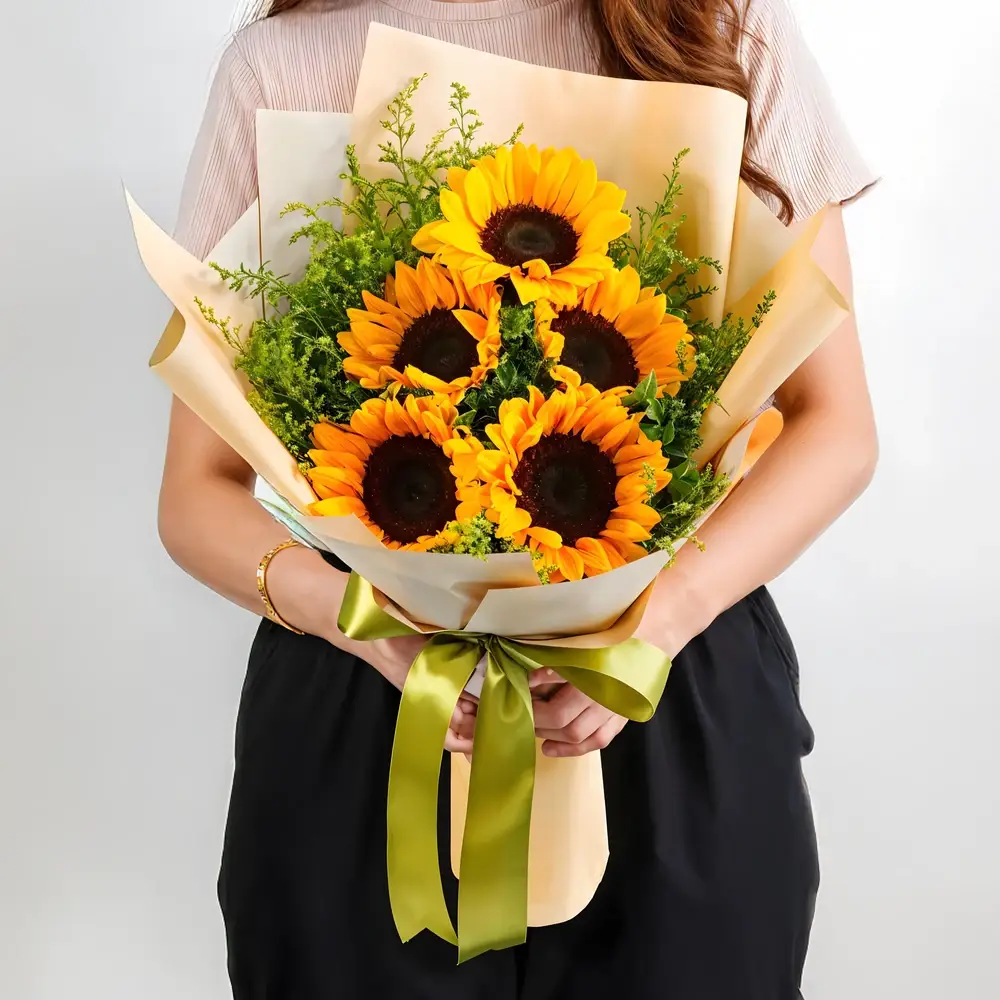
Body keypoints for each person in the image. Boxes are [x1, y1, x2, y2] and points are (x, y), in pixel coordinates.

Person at [161, 0, 879, 996]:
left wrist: (650, 625)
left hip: (668, 680)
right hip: (369, 705)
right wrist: (371, 628)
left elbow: (835, 426)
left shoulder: (715, 25)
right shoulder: (282, 65)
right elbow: (195, 493)